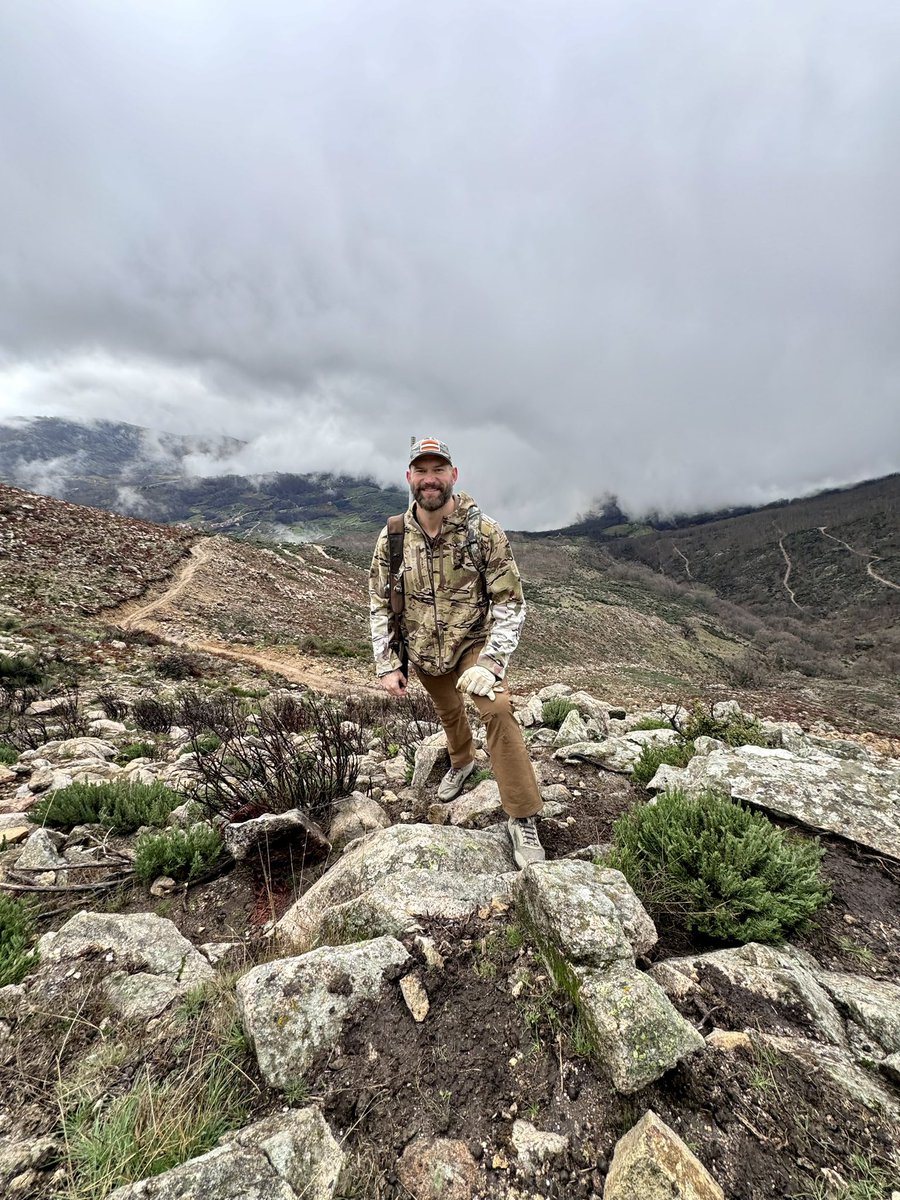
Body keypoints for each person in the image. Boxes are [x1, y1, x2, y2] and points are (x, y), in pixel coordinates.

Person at [368, 436, 544, 868]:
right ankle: (462, 761)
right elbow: (378, 601)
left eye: (438, 470)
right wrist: (389, 663)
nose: (430, 480)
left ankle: (521, 814)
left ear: (453, 475)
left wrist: (492, 661)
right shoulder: (392, 538)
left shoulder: (481, 531)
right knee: (448, 711)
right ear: (410, 477)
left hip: (473, 643)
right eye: (422, 471)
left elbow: (510, 601)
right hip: (424, 650)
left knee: (497, 709)